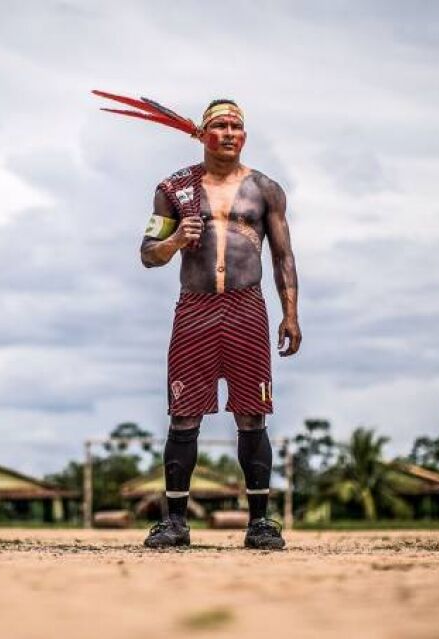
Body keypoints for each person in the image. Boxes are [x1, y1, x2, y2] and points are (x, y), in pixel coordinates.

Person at [140, 99, 301, 549]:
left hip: (248, 307)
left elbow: (284, 256)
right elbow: (147, 252)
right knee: (183, 416)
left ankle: (260, 523)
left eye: (236, 126)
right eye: (220, 126)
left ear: (243, 135)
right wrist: (174, 241)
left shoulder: (265, 189)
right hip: (195, 308)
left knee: (253, 415)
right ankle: (174, 522)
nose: (229, 133)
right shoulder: (175, 189)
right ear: (202, 134)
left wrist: (290, 312)